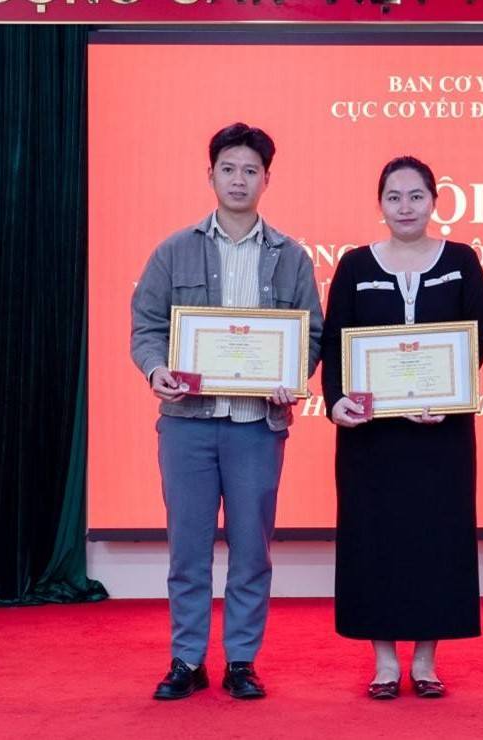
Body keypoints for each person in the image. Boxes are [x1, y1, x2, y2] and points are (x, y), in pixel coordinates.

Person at [130, 122, 323, 701]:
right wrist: (155, 371)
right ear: (210, 175)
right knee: (187, 550)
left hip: (256, 428)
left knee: (251, 550)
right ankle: (187, 659)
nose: (239, 180)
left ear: (267, 179)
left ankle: (241, 660)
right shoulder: (174, 250)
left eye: (250, 171)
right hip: (187, 425)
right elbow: (146, 327)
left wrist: (293, 376)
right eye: (228, 169)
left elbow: (311, 335)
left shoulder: (291, 257)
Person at [322, 156, 483, 700]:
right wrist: (336, 402)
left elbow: (479, 337)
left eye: (416, 196)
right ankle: (383, 662)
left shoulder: (462, 261)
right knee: (375, 540)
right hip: (371, 437)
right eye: (394, 197)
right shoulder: (354, 265)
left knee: (436, 540)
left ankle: (425, 660)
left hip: (441, 434)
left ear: (434, 201)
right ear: (380, 203)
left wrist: (449, 396)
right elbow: (335, 342)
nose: (405, 207)